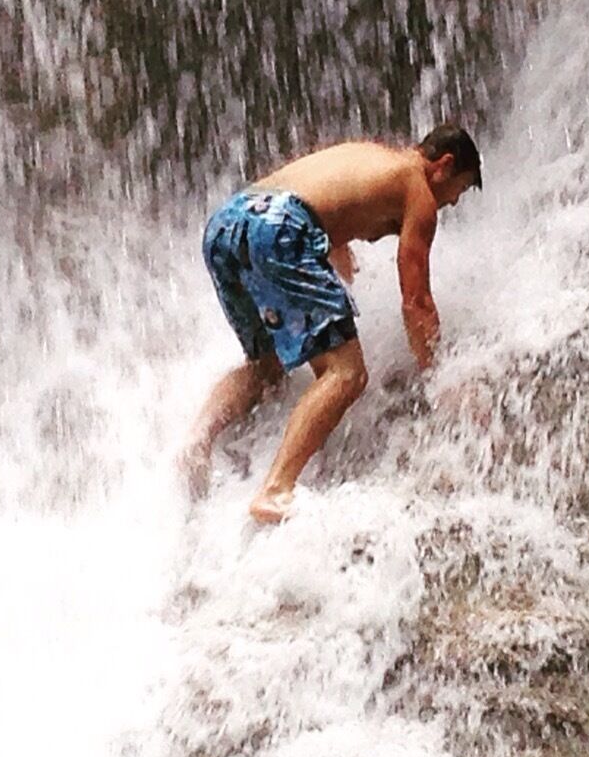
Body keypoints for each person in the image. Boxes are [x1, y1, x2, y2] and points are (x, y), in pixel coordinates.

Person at [182, 122, 483, 524]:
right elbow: (416, 302)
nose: (453, 203)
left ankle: (197, 442)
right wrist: (438, 375)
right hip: (281, 228)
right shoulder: (419, 191)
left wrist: (335, 249)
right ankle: (275, 490)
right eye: (459, 191)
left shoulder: (372, 155)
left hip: (227, 224)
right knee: (347, 373)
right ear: (444, 166)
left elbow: (319, 196)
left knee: (267, 366)